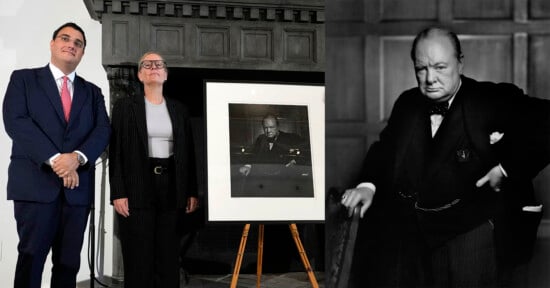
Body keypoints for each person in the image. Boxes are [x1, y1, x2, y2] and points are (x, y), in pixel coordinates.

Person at [340, 27, 550, 287]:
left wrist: (506, 169)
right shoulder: (407, 102)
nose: (430, 79)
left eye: (440, 67)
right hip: (410, 237)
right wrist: (367, 186)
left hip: (471, 234)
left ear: (460, 63)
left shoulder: (491, 98)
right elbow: (385, 149)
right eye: (421, 69)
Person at [2, 22, 111, 288]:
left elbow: (102, 130)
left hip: (76, 192)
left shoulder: (92, 92)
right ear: (52, 44)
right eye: (65, 38)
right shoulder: (23, 80)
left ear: (82, 53)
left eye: (79, 43)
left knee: (68, 264)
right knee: (31, 259)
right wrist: (56, 160)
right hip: (35, 186)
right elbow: (16, 122)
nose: (71, 44)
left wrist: (77, 157)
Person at [109, 51, 199, 288]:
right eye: (146, 65)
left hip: (172, 186)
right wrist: (118, 192)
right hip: (138, 185)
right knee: (138, 254)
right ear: (140, 75)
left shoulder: (179, 109)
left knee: (168, 254)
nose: (153, 67)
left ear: (166, 74)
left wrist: (191, 191)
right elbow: (116, 150)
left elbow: (188, 153)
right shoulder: (125, 107)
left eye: (158, 64)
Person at [238, 114, 307, 176]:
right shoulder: (261, 138)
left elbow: (306, 148)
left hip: (284, 177)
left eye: (272, 127)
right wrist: (248, 166)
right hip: (263, 176)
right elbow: (253, 154)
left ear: (277, 127)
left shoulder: (290, 137)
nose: (268, 131)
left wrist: (295, 160)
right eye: (265, 127)